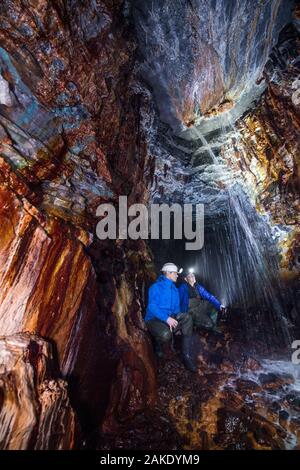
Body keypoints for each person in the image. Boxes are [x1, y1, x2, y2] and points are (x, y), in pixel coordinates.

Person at [145, 263, 197, 372]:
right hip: (154, 319)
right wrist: (167, 319)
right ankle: (157, 343)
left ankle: (186, 355)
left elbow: (176, 310)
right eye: (175, 273)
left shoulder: (175, 290)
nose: (177, 276)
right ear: (168, 273)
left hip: (168, 318)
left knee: (187, 317)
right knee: (165, 335)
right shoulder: (156, 287)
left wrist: (179, 324)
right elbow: (152, 306)